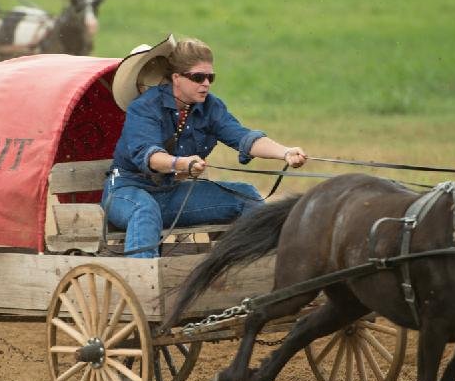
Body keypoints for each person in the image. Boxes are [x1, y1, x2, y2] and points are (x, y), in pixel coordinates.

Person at [104, 35, 308, 258]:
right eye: (198, 77)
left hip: (169, 193)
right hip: (126, 191)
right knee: (145, 210)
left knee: (246, 196)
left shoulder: (211, 106)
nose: (206, 84)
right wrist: (182, 163)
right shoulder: (144, 108)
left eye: (211, 77)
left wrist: (285, 152)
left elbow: (243, 138)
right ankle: (143, 280)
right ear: (176, 78)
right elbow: (150, 157)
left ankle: (257, 267)